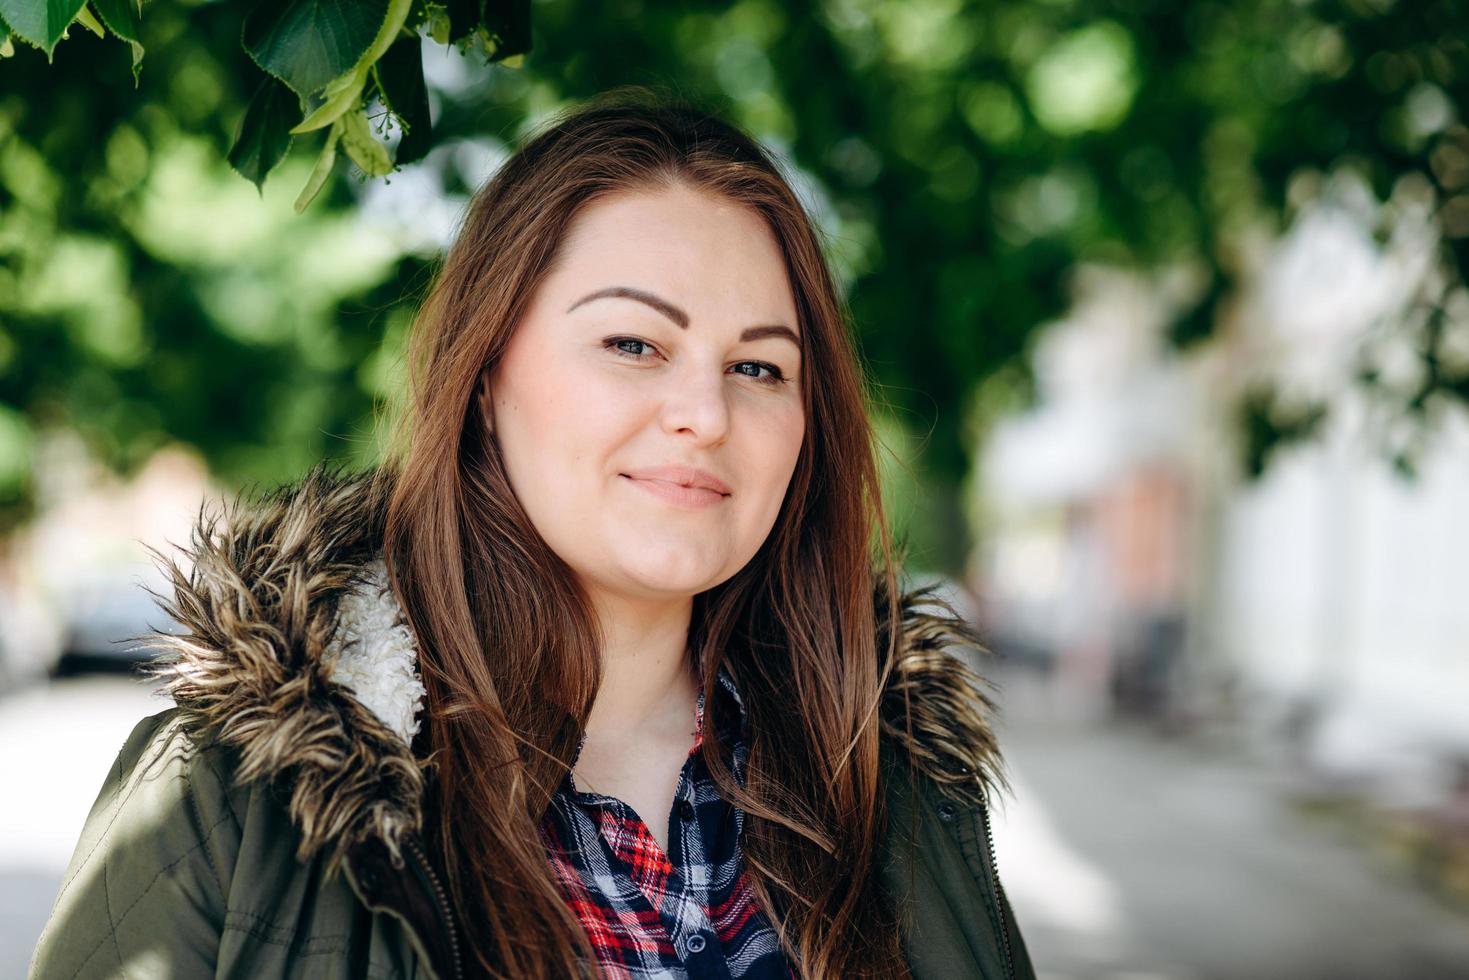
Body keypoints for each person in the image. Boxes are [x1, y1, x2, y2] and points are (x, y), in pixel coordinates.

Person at [29, 87, 1035, 980]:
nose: (706, 412)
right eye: (633, 342)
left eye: (760, 367)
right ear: (484, 380)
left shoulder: (902, 792)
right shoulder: (230, 801)